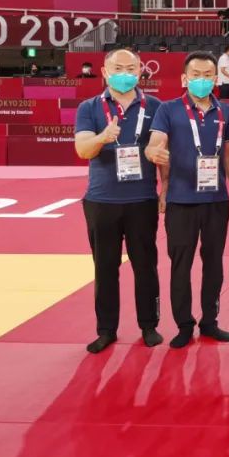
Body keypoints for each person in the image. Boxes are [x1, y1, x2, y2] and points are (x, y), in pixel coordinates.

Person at [146, 52, 229, 349]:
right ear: (185, 78)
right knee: (181, 264)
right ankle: (184, 324)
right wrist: (154, 156)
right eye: (196, 75)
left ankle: (210, 322)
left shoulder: (226, 111)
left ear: (216, 78)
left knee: (214, 263)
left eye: (208, 75)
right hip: (180, 200)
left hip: (216, 200)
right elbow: (157, 143)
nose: (202, 80)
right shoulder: (168, 110)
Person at [73, 48, 164, 354]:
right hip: (101, 200)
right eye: (118, 68)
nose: (124, 74)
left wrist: (165, 189)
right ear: (104, 72)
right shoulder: (89, 108)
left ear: (140, 71)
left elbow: (162, 152)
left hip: (142, 199)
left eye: (131, 68)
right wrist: (103, 136)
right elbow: (83, 150)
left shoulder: (155, 106)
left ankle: (149, 325)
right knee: (105, 268)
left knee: (145, 265)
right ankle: (106, 330)